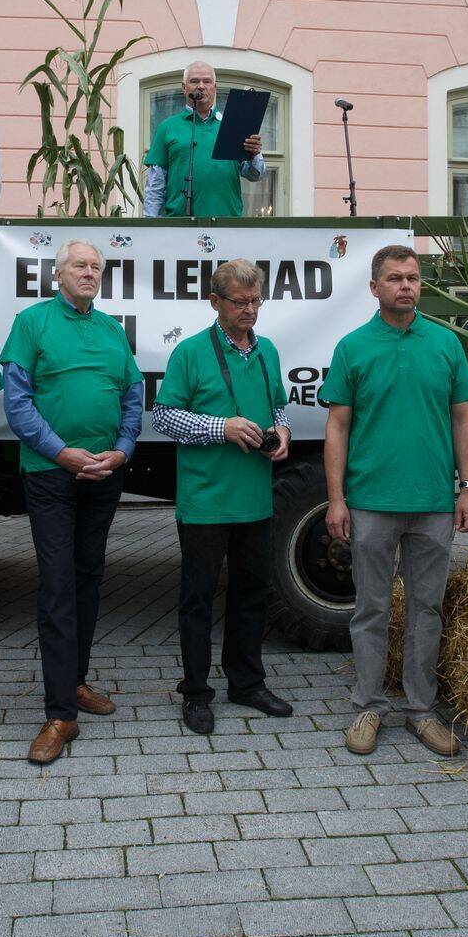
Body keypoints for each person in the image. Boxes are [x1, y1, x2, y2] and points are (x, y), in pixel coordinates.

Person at [320, 244, 468, 760]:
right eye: (394, 278)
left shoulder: (446, 345)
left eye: (412, 278)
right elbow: (338, 425)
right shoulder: (353, 347)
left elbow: (463, 418)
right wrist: (336, 499)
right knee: (370, 608)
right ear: (374, 287)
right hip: (371, 502)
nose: (405, 286)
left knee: (426, 609)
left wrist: (467, 487)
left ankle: (420, 710)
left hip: (433, 502)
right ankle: (367, 704)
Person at [1, 239, 142, 765]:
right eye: (80, 265)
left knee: (89, 578)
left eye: (97, 267)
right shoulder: (33, 323)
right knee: (58, 585)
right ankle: (60, 714)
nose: (90, 273)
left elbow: (133, 395)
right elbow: (16, 403)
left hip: (102, 475)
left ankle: (76, 679)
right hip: (50, 475)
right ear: (58, 273)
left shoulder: (109, 329)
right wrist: (63, 454)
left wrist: (123, 450)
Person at [152, 259, 294, 735]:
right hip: (206, 499)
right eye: (240, 301)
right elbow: (165, 416)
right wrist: (220, 426)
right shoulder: (191, 352)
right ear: (215, 302)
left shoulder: (268, 350)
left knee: (252, 593)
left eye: (256, 301)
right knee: (197, 599)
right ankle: (195, 693)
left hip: (255, 496)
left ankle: (246, 683)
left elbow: (278, 403)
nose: (250, 309)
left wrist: (283, 430)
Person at [142, 61, 266, 217]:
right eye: (194, 81)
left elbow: (255, 175)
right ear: (184, 87)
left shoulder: (233, 124)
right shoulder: (167, 127)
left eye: (207, 81)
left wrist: (255, 154)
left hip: (227, 223)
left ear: (214, 87)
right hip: (179, 224)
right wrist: (151, 226)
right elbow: (155, 184)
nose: (201, 86)